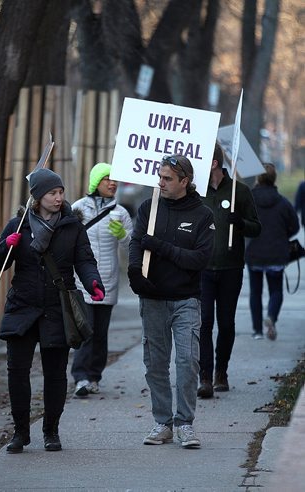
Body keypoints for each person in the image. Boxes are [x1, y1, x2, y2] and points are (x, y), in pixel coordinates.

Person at [0, 168, 104, 454]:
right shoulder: (19, 225)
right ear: (38, 197)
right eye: (52, 193)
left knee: (55, 374)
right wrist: (7, 245)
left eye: (60, 192)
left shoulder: (72, 226)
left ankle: (51, 430)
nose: (58, 197)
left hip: (57, 307)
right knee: (17, 371)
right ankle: (20, 433)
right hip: (22, 305)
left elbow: (85, 260)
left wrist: (93, 283)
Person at [128, 154, 214, 449]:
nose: (160, 183)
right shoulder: (148, 208)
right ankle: (162, 423)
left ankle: (185, 424)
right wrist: (133, 271)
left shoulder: (202, 215)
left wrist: (161, 247)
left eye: (167, 179)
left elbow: (199, 259)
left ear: (184, 182)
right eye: (159, 177)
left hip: (185, 299)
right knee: (155, 364)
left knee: (188, 361)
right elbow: (136, 242)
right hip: (152, 298)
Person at [197, 143, 261, 399]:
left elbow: (257, 228)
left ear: (213, 163)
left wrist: (241, 223)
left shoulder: (240, 192)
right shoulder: (196, 192)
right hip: (202, 269)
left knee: (226, 323)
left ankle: (221, 372)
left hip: (231, 268)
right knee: (203, 323)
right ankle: (205, 377)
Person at [70, 162, 133, 397]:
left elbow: (132, 246)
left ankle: (95, 375)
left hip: (108, 280)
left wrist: (123, 235)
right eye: (108, 179)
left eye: (115, 180)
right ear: (96, 182)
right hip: (82, 281)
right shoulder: (78, 209)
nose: (112, 183)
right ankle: (80, 377)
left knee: (100, 333)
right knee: (85, 330)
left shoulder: (121, 212)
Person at [246, 164, 299, 340]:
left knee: (255, 292)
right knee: (276, 290)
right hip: (277, 253)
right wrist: (283, 236)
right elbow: (295, 226)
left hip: (254, 253)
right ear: (274, 178)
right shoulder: (283, 202)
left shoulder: (249, 200)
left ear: (258, 179)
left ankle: (257, 331)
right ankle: (271, 317)